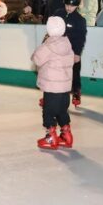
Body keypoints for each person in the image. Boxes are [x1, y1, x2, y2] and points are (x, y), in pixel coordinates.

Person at [33, 16, 76, 150]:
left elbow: (36, 59)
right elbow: (72, 61)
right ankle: (66, 136)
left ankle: (51, 138)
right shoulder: (67, 45)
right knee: (62, 111)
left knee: (48, 112)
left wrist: (44, 43)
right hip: (64, 88)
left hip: (52, 87)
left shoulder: (49, 45)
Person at [54, 0, 87, 107]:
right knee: (54, 73)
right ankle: (50, 95)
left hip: (71, 51)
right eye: (67, 5)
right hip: (57, 50)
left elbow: (81, 38)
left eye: (72, 6)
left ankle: (76, 92)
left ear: (76, 6)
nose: (68, 8)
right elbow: (51, 30)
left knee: (75, 72)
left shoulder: (80, 20)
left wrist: (77, 53)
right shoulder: (58, 14)